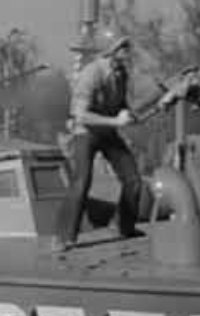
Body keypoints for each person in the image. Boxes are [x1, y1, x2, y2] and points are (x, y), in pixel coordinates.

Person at [50, 31, 144, 252]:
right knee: (82, 181)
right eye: (123, 47)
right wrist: (115, 121)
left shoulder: (121, 73)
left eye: (127, 47)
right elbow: (81, 115)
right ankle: (63, 237)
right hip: (86, 133)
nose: (128, 51)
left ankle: (123, 226)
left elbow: (120, 104)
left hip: (107, 132)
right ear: (111, 51)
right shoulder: (91, 74)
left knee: (133, 180)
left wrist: (129, 114)